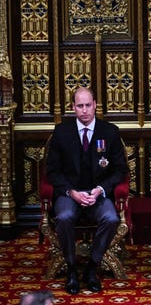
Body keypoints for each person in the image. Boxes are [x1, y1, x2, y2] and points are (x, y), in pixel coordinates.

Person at [46, 87, 127, 294]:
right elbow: (52, 172)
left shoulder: (109, 131)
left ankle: (92, 267)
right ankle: (72, 268)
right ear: (73, 107)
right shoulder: (62, 132)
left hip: (97, 194)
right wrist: (71, 192)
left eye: (88, 105)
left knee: (110, 218)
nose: (84, 110)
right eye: (79, 106)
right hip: (69, 194)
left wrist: (100, 190)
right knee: (63, 217)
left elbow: (120, 171)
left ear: (95, 105)